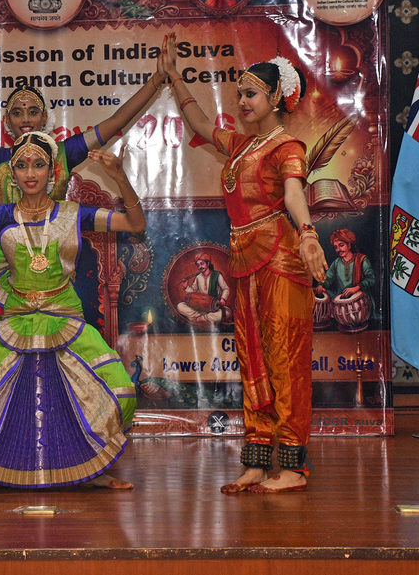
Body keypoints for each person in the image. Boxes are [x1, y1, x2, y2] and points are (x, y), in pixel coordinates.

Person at [161, 34, 327, 493]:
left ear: (276, 97)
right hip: (245, 262)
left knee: (285, 360)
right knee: (253, 358)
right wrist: (174, 78)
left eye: (251, 94)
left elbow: (293, 193)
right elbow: (198, 120)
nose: (242, 102)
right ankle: (256, 460)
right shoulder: (240, 146)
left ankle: (292, 466)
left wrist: (308, 234)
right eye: (239, 94)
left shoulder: (287, 147)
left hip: (281, 261)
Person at [0, 130, 145, 490]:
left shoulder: (73, 214)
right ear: (12, 173)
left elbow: (134, 223)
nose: (30, 173)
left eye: (38, 165)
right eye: (21, 165)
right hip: (18, 320)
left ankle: (93, 468)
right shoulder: (3, 216)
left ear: (53, 171)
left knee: (117, 390)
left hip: (64, 317)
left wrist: (120, 178)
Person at [0, 41, 167, 207]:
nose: (25, 119)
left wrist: (157, 79)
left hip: (56, 265)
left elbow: (117, 120)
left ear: (44, 118)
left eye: (33, 112)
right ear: (7, 122)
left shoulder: (64, 154)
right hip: (8, 269)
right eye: (18, 113)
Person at [176, 253, 232, 325]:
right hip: (200, 306)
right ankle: (205, 317)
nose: (200, 267)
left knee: (227, 312)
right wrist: (186, 286)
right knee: (180, 306)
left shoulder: (217, 275)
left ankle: (200, 318)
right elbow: (193, 292)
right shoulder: (198, 277)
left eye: (202, 264)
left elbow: (226, 288)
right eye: (198, 265)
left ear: (207, 263)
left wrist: (223, 299)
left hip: (213, 307)